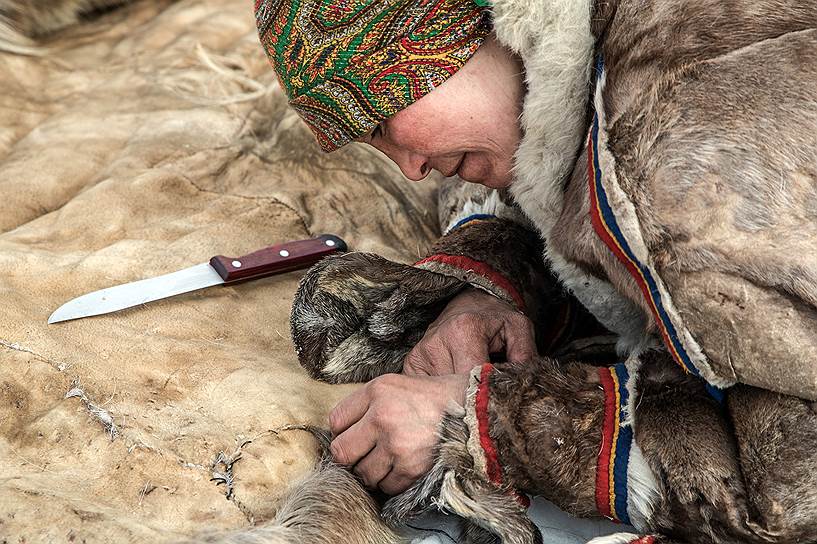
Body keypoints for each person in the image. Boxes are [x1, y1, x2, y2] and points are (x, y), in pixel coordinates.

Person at [259, 0, 817, 542]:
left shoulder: (672, 175)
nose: (410, 170)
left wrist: (486, 422)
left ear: (456, 34)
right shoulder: (585, 61)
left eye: (383, 118)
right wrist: (494, 287)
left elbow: (791, 493)